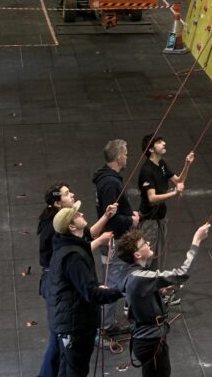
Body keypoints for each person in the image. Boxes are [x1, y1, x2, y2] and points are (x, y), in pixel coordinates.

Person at [38, 184, 119, 376]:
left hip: (68, 311)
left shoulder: (66, 237)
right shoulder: (68, 249)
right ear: (57, 202)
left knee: (63, 353)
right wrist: (119, 291)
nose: (72, 194)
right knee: (62, 351)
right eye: (66, 194)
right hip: (69, 317)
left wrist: (106, 217)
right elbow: (87, 287)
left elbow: (84, 237)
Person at [112, 221, 211, 376]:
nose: (148, 243)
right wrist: (196, 241)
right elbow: (181, 273)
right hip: (150, 342)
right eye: (144, 243)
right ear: (137, 254)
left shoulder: (130, 274)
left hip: (146, 340)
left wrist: (158, 292)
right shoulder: (140, 278)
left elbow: (138, 296)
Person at [92, 139, 139, 335]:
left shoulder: (106, 178)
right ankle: (106, 326)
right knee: (112, 282)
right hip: (114, 240)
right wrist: (131, 220)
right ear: (119, 158)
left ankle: (108, 322)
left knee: (115, 278)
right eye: (126, 155)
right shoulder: (110, 183)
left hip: (112, 240)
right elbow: (111, 218)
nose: (127, 158)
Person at [138, 135, 194, 262]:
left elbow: (179, 180)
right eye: (159, 142)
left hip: (161, 217)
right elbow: (151, 198)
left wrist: (187, 164)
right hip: (149, 220)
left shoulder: (162, 164)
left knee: (160, 256)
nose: (164, 143)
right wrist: (174, 193)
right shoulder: (146, 170)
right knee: (147, 256)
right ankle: (146, 280)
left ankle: (157, 280)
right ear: (151, 149)